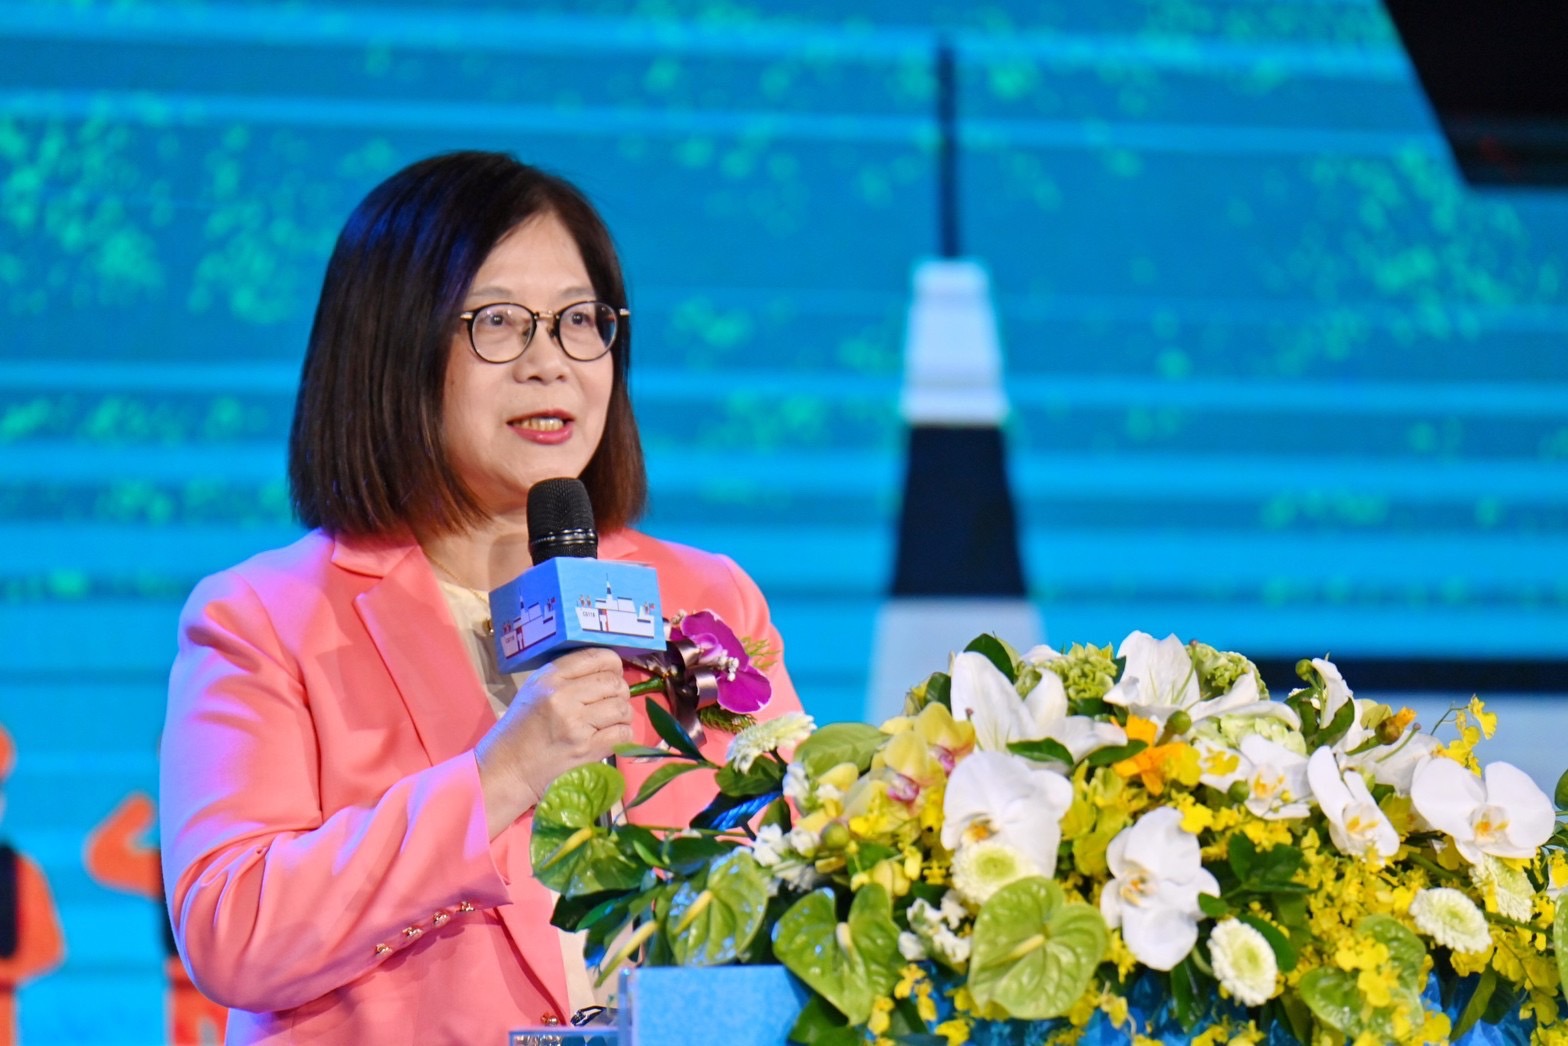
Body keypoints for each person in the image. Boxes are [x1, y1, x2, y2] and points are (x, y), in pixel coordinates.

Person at [159, 151, 803, 1044]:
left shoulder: (705, 596)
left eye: (579, 321)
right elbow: (234, 931)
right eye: (498, 323)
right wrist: (501, 775)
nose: (550, 364)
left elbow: (804, 863)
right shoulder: (264, 618)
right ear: (393, 348)